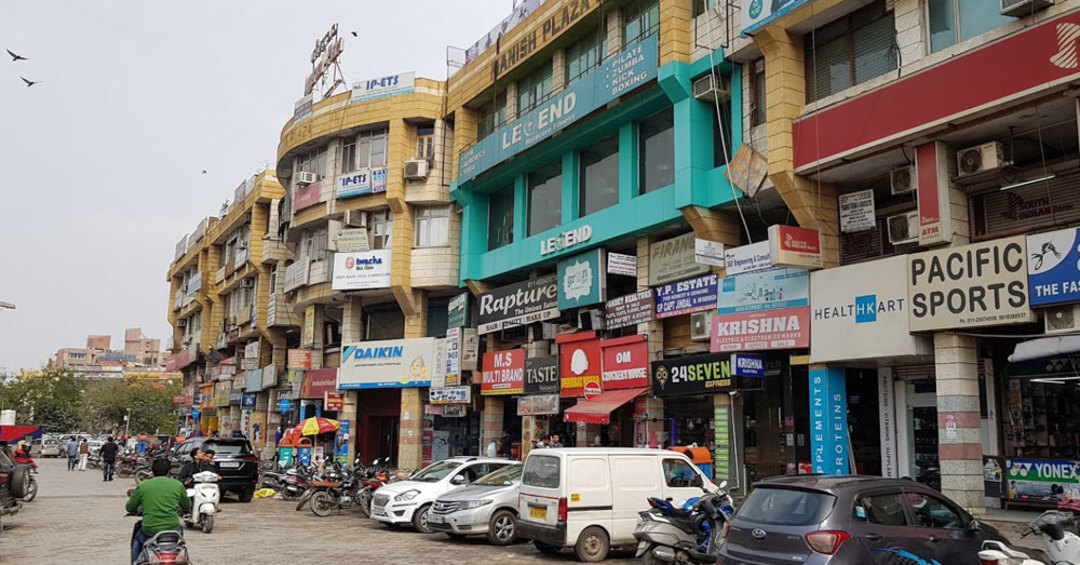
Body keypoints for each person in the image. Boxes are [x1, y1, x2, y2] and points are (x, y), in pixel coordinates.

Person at [126, 458, 191, 565]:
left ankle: (135, 562)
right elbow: (187, 505)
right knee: (181, 543)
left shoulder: (143, 485)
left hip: (149, 529)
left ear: (152, 470)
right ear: (169, 472)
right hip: (172, 529)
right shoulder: (178, 485)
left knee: (137, 540)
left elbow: (129, 507)